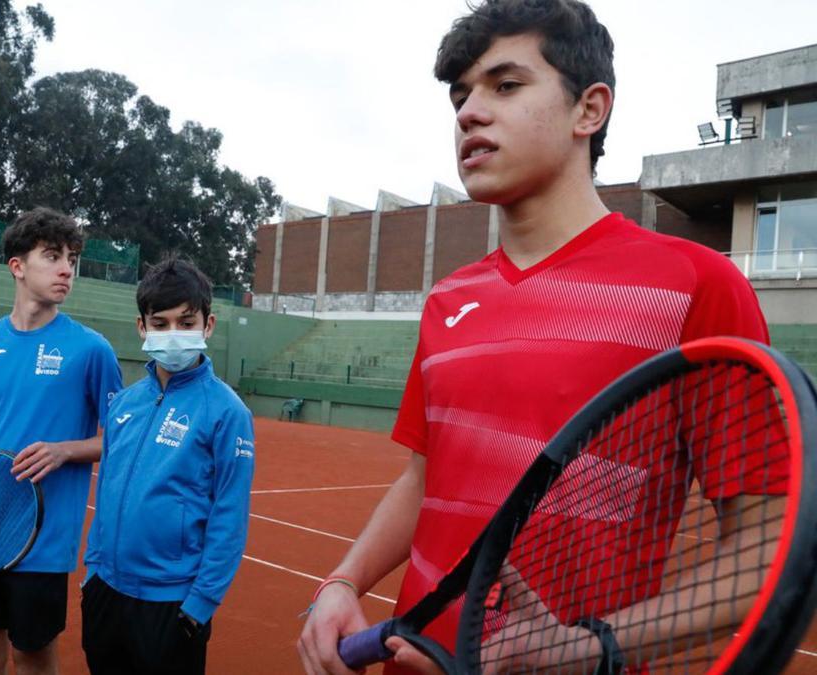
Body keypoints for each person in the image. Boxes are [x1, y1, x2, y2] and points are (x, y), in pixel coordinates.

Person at [296, 1, 771, 673]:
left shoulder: (698, 285)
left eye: (505, 84)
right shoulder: (449, 300)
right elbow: (425, 477)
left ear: (589, 109)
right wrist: (345, 579)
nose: (467, 112)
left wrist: (590, 646)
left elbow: (764, 544)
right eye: (461, 96)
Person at [0, 207, 123, 675]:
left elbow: (123, 441)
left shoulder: (92, 350)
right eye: (52, 256)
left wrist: (65, 450)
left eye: (71, 258)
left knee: (33, 657)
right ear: (17, 266)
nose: (66, 269)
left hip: (44, 539)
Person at [81, 257, 255, 675]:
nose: (173, 335)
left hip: (173, 605)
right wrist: (93, 571)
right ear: (142, 328)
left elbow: (229, 516)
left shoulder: (227, 412)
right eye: (160, 324)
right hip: (106, 591)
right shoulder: (123, 403)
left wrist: (200, 604)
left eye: (185, 322)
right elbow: (106, 493)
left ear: (208, 325)